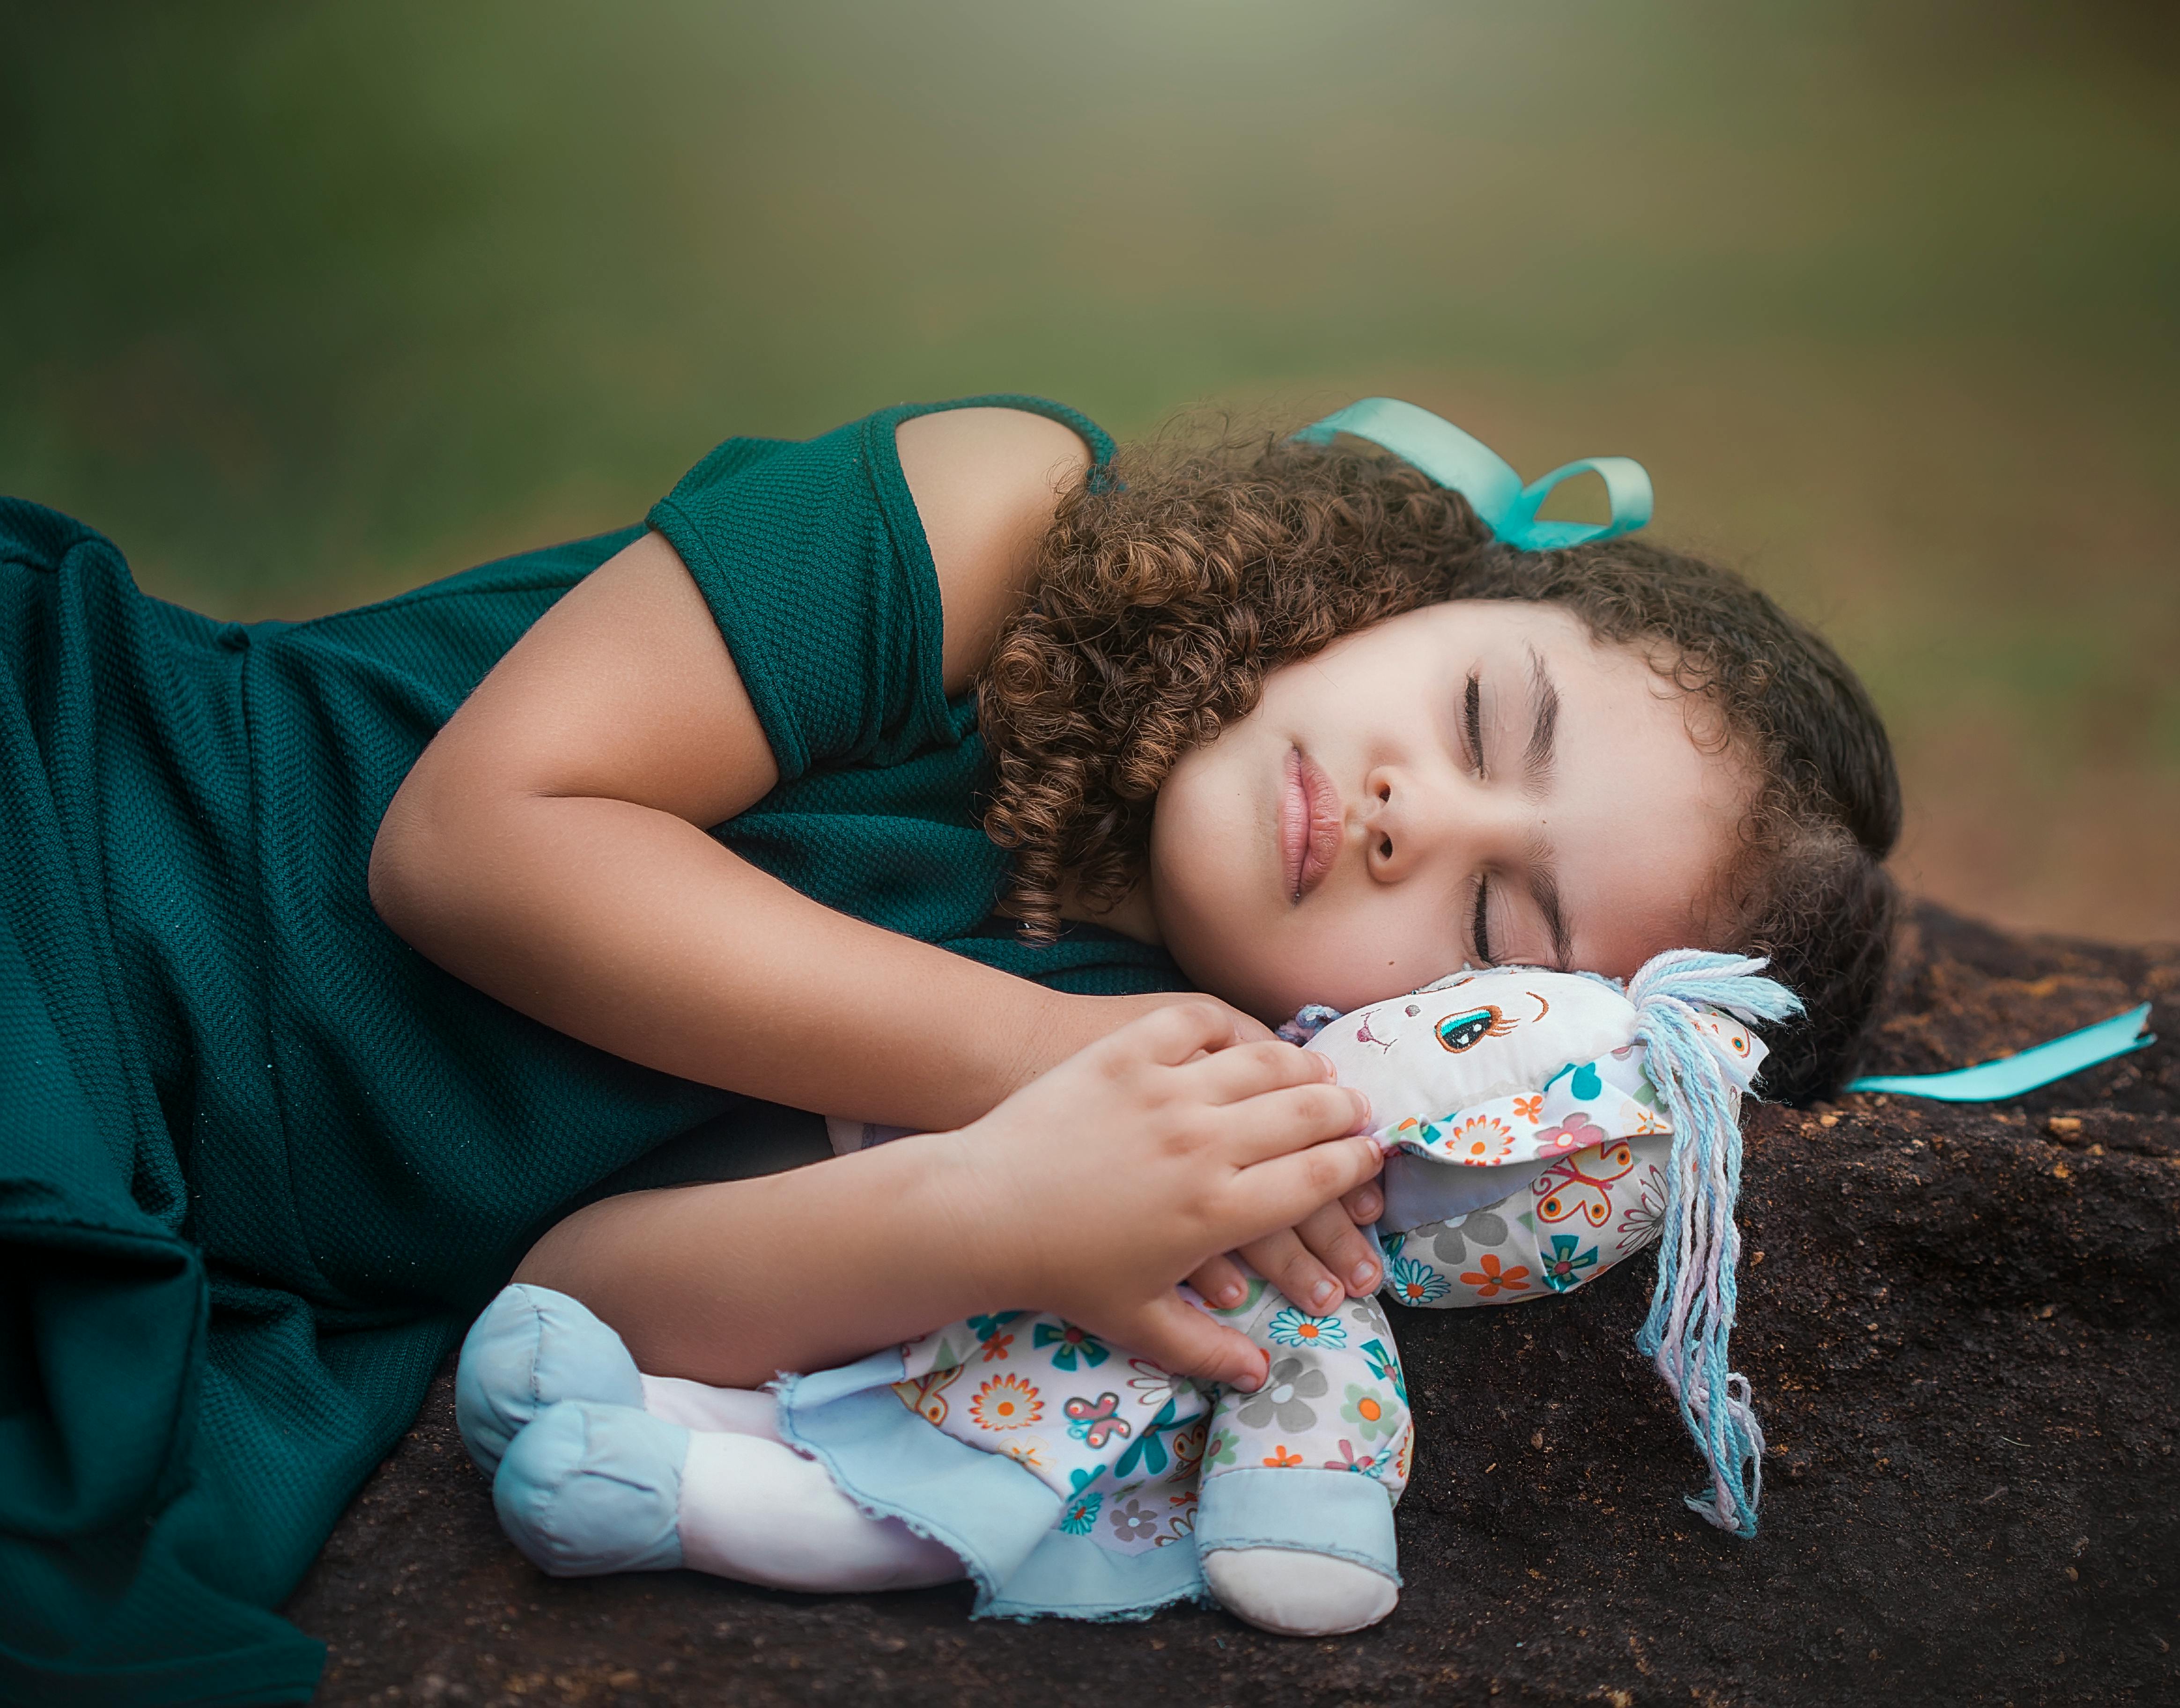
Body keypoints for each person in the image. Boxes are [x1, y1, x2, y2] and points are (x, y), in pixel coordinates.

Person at [0, 394, 1897, 1705]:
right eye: (1486, 707)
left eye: (1497, 931)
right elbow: (472, 842)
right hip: (75, 820)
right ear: (1431, 592)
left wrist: (992, 1215)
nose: (1419, 817)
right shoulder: (1000, 516)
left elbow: (569, 1282)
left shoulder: (1155, 1125)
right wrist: (1008, 1071)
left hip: (192, 1233)